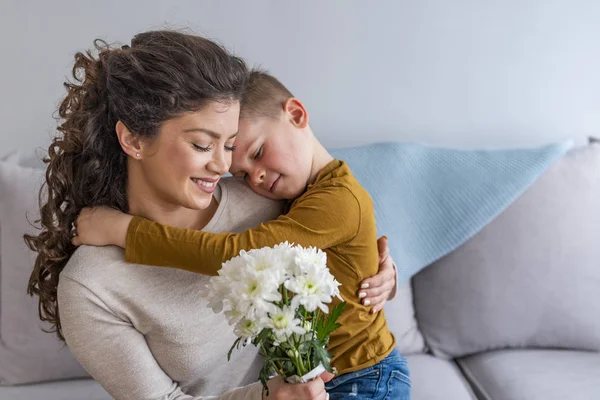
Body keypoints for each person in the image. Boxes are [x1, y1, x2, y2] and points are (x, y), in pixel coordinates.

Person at [25, 30, 398, 400]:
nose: (222, 165)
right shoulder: (91, 286)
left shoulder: (266, 202)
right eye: (203, 144)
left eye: (231, 146)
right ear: (135, 140)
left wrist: (381, 273)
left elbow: (332, 240)